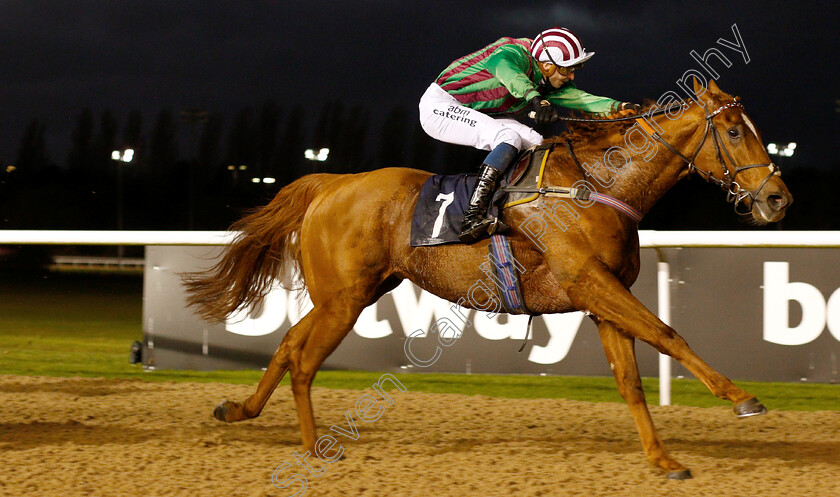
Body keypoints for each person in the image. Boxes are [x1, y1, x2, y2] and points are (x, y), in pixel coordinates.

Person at [419, 27, 640, 243]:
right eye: (566, 69)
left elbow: (580, 98)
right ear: (546, 65)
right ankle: (472, 216)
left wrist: (619, 106)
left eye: (575, 68)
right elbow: (506, 69)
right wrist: (535, 99)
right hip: (440, 106)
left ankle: (511, 207)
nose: (571, 75)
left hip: (476, 111)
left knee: (536, 142)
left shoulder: (549, 80)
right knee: (508, 138)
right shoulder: (512, 51)